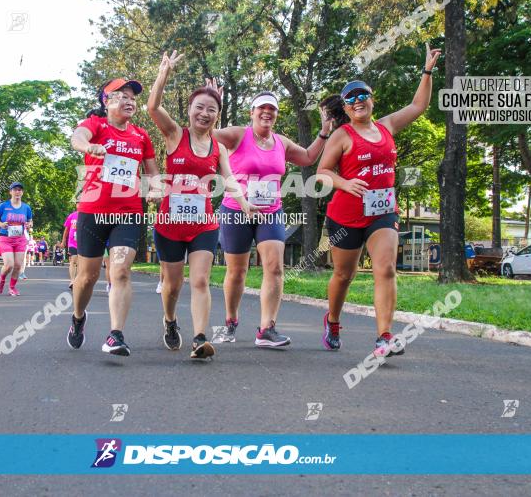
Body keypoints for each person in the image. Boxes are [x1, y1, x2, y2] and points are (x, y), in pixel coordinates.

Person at [316, 44, 441, 355]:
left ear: (372, 100)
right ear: (345, 108)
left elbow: (417, 106)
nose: (358, 101)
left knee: (385, 269)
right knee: (344, 274)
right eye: (351, 99)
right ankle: (332, 320)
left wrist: (427, 71)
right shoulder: (341, 136)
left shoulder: (386, 126)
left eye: (363, 95)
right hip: (345, 216)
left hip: (382, 212)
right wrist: (345, 183)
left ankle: (385, 336)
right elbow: (322, 172)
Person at [147, 50, 259, 359]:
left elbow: (231, 179)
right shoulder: (174, 134)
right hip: (170, 225)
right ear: (189, 110)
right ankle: (170, 321)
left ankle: (199, 339)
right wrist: (163, 73)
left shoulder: (218, 148)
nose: (205, 114)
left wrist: (244, 203)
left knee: (199, 280)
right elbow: (153, 107)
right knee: (171, 286)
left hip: (203, 225)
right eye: (199, 107)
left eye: (211, 109)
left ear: (217, 115)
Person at [211, 86, 333, 347]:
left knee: (275, 269)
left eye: (272, 109)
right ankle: (231, 321)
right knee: (237, 271)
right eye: (262, 108)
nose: (267, 112)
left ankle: (267, 329)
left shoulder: (281, 142)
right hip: (236, 209)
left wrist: (324, 132)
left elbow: (309, 157)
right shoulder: (237, 135)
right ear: (252, 112)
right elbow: (208, 134)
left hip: (270, 211)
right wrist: (215, 104)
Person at [68, 77, 160, 356]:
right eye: (121, 95)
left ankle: (115, 335)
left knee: (119, 271)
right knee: (87, 277)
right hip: (92, 212)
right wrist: (89, 147)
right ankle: (78, 317)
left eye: (132, 97)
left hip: (128, 212)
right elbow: (77, 138)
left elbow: (152, 172)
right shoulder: (96, 126)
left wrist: (155, 188)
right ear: (106, 102)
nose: (129, 100)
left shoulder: (141, 136)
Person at [0, 182, 33, 296]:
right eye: (15, 190)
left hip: (20, 239)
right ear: (10, 192)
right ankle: (1, 280)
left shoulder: (26, 207)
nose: (17, 192)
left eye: (20, 190)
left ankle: (12, 288)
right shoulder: (3, 205)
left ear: (22, 193)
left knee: (18, 265)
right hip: (5, 238)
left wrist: (29, 225)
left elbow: (30, 220)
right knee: (9, 264)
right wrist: (1, 224)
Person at [61, 210, 79, 288]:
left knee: (80, 263)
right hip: (72, 242)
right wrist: (63, 240)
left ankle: (77, 280)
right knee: (73, 261)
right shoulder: (72, 215)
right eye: (78, 203)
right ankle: (72, 281)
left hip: (83, 242)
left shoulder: (88, 215)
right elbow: (67, 229)